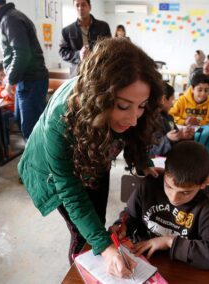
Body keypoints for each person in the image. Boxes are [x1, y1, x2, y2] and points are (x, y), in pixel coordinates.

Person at [18, 38, 164, 278]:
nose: (134, 118)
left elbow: (137, 131)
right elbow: (70, 191)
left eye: (142, 105)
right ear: (99, 98)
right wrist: (105, 247)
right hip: (53, 171)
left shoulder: (127, 109)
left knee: (97, 218)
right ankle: (79, 275)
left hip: (93, 153)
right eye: (124, 106)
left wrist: (143, 161)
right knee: (82, 232)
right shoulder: (60, 119)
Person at [111, 141, 209, 270]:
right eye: (168, 186)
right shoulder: (148, 186)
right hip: (141, 257)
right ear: (164, 171)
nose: (174, 198)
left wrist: (170, 242)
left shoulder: (204, 208)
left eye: (185, 192)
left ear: (203, 184)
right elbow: (130, 215)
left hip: (178, 266)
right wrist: (122, 226)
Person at [0, 0, 48, 140]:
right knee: (20, 119)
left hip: (31, 80)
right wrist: (10, 76)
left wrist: (10, 81)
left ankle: (40, 161)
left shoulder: (11, 19)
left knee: (32, 129)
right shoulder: (11, 17)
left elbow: (22, 53)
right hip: (27, 79)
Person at [59, 0, 111, 77]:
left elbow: (110, 48)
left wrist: (94, 54)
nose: (80, 8)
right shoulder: (67, 30)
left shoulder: (103, 26)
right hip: (77, 74)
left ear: (90, 7)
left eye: (83, 5)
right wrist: (78, 55)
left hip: (99, 73)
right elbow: (63, 52)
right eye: (77, 5)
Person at [149, 83, 194, 156]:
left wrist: (183, 136)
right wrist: (168, 139)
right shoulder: (149, 120)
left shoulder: (168, 117)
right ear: (163, 99)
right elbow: (150, 150)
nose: (173, 104)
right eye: (172, 100)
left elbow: (175, 136)